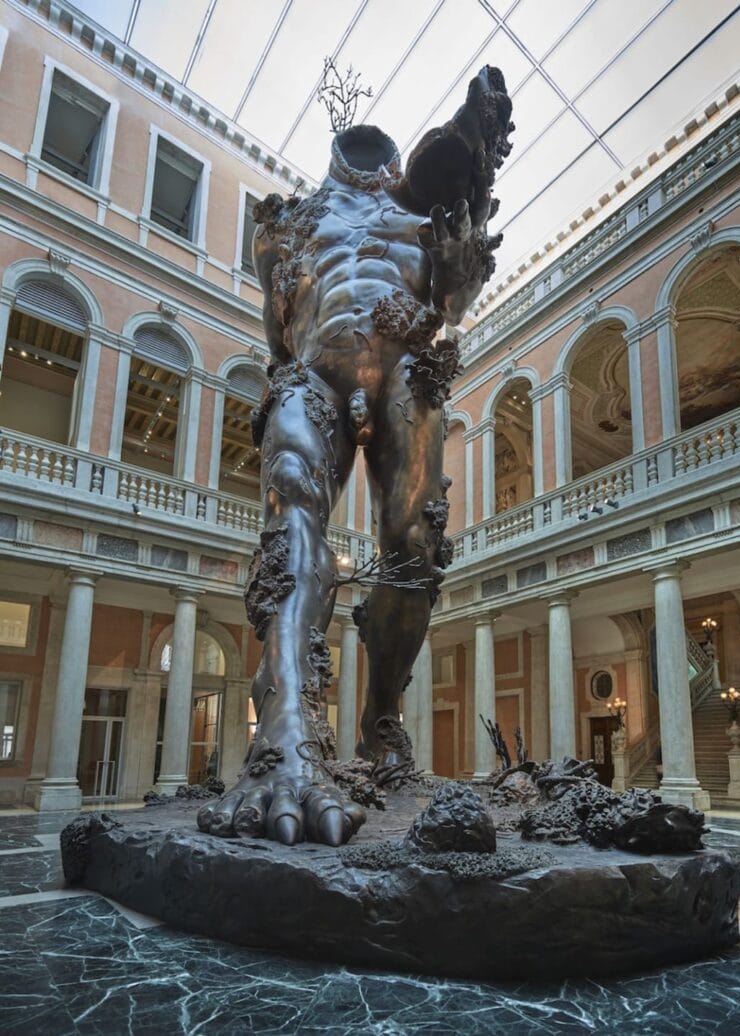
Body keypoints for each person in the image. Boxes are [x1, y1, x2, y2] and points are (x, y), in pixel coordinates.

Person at [198, 67, 513, 846]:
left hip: (410, 369)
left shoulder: (427, 203)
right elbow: (278, 337)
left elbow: (454, 298)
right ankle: (287, 741)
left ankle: (381, 724)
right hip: (313, 375)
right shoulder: (285, 223)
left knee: (414, 545)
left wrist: (443, 302)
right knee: (291, 500)